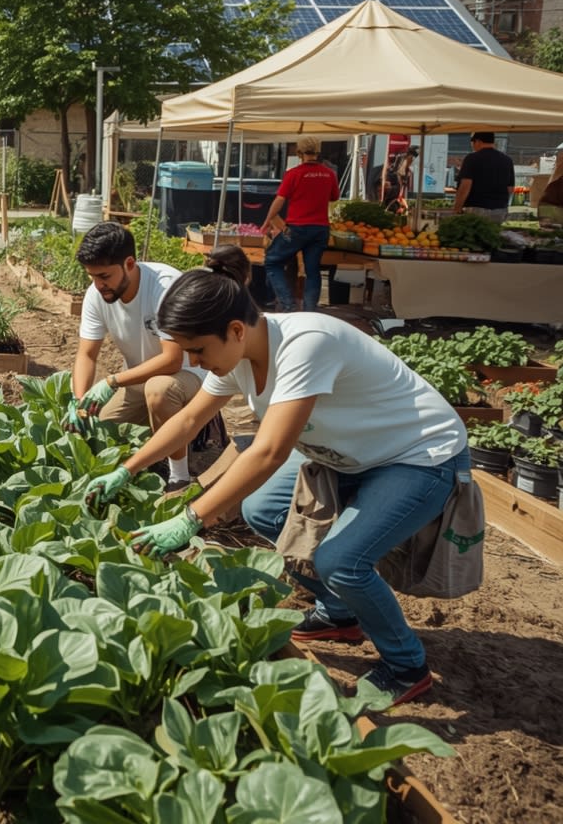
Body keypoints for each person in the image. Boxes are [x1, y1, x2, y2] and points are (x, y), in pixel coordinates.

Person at [85, 246, 470, 708]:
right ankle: (340, 611)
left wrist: (191, 518)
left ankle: (407, 665)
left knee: (341, 560)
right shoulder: (237, 354)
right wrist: (124, 471)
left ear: (233, 330)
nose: (195, 361)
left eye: (197, 351)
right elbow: (188, 421)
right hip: (348, 453)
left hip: (417, 455)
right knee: (262, 510)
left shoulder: (306, 344)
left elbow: (268, 452)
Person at [68, 222, 207, 489]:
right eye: (92, 276)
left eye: (105, 276)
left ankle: (179, 477)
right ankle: (161, 443)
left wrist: (111, 382)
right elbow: (86, 354)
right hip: (139, 377)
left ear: (129, 263)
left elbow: (172, 360)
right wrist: (79, 401)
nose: (98, 285)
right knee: (98, 434)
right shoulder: (96, 295)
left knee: (160, 390)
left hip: (190, 376)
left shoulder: (165, 287)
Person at [261, 135, 339, 312]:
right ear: (318, 152)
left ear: (299, 153)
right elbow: (334, 197)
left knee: (273, 262)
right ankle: (310, 311)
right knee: (313, 270)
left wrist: (267, 221)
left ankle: (288, 306)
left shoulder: (293, 174)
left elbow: (279, 201)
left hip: (296, 229)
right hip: (320, 229)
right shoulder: (329, 174)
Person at [452, 132, 515, 223]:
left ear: (477, 141)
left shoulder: (472, 158)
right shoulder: (507, 160)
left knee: (475, 235)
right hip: (500, 209)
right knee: (493, 235)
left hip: (476, 207)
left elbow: (465, 185)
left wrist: (457, 208)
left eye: (472, 143)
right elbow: (510, 188)